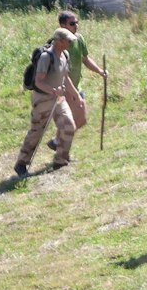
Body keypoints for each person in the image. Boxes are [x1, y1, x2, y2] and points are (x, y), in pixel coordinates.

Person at [14, 29, 77, 177]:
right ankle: (21, 163)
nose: (71, 43)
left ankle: (60, 159)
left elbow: (64, 77)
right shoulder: (45, 57)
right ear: (60, 41)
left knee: (69, 126)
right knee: (37, 131)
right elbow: (39, 81)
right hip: (42, 99)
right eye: (68, 41)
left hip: (58, 99)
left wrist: (74, 94)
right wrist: (53, 90)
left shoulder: (65, 55)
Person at [47, 11, 108, 150]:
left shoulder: (79, 39)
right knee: (75, 120)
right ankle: (61, 147)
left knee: (78, 120)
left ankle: (57, 141)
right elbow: (61, 72)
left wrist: (99, 71)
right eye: (72, 23)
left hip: (76, 84)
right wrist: (72, 92)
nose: (76, 26)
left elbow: (85, 59)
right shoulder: (59, 44)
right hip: (63, 87)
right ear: (62, 25)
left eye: (77, 22)